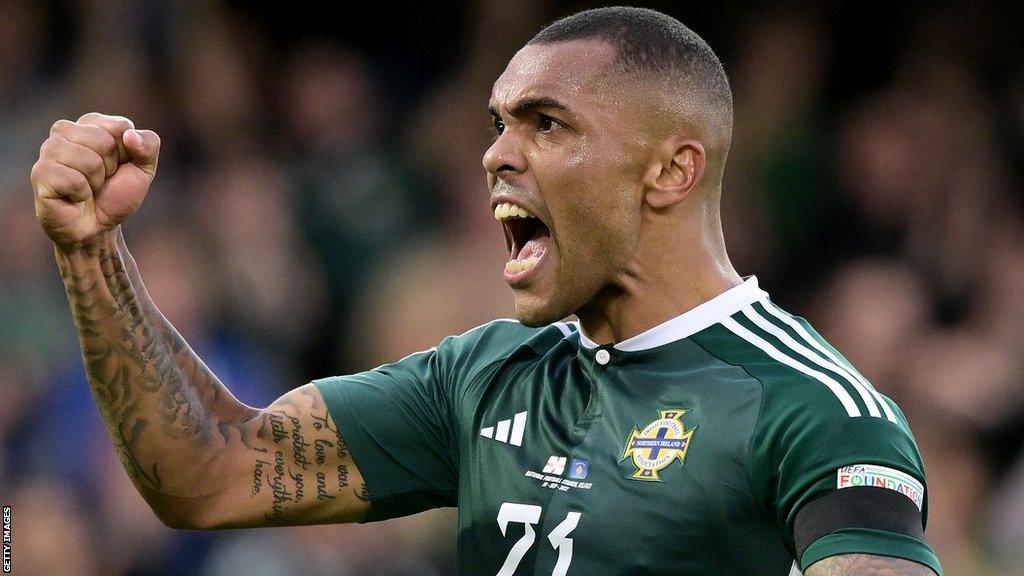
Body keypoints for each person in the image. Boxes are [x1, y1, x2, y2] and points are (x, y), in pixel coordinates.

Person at [29, 7, 941, 576]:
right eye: (498, 123)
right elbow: (209, 475)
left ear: (670, 171)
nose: (497, 155)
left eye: (547, 124)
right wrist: (93, 252)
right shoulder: (485, 376)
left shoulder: (814, 410)